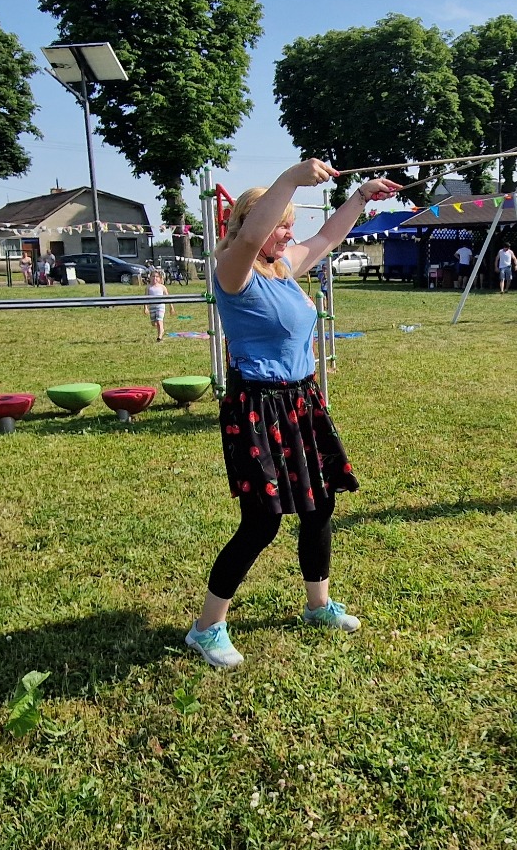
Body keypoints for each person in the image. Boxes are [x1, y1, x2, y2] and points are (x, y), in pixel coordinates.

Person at [185, 160, 400, 669]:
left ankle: (318, 606)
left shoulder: (283, 268)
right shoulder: (234, 270)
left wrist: (361, 196)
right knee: (260, 522)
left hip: (301, 401)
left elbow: (327, 234)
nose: (288, 233)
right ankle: (206, 627)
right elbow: (250, 235)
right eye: (280, 224)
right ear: (253, 222)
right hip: (257, 406)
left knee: (319, 508)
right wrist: (290, 178)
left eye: (289, 224)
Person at [145, 268, 168, 342]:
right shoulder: (148, 287)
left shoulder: (162, 287)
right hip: (152, 306)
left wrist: (171, 307)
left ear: (160, 278)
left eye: (157, 277)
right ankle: (161, 330)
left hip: (160, 306)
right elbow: (145, 298)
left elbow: (169, 298)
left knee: (159, 321)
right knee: (154, 323)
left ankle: (159, 337)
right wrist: (145, 308)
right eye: (153, 276)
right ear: (150, 277)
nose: (155, 278)